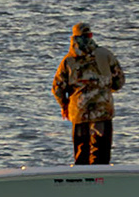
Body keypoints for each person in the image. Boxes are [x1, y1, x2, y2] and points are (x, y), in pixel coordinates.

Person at [52, 22, 124, 165]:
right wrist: (106, 92)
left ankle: (81, 177)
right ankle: (100, 176)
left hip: (79, 112)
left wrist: (64, 105)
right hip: (102, 111)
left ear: (73, 38)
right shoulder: (105, 55)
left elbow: (57, 88)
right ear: (90, 35)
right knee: (101, 154)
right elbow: (119, 81)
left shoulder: (68, 61)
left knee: (81, 154)